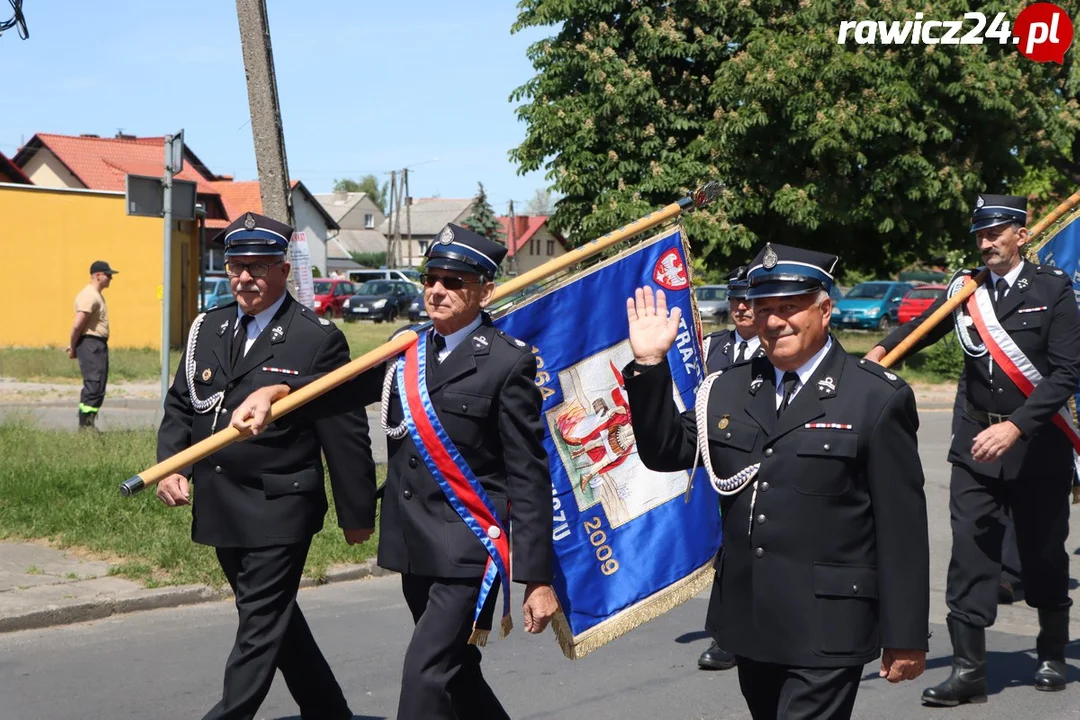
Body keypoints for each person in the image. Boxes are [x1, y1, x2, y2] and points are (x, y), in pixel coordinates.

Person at [234, 222, 560, 720]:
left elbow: (529, 476)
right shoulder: (405, 347)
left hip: (468, 548)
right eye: (432, 277)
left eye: (455, 282)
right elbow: (342, 387)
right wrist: (279, 392)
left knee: (425, 674)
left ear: (485, 291)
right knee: (457, 671)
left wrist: (536, 577)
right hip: (413, 542)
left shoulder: (506, 364)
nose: (437, 290)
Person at [624, 242, 930, 720]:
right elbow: (666, 452)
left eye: (790, 307)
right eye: (763, 308)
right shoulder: (726, 386)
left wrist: (906, 635)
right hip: (751, 619)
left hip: (830, 624)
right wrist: (648, 366)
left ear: (825, 309)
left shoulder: (874, 397)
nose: (773, 321)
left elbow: (902, 529)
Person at [155, 211, 377, 720]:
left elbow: (343, 430)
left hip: (280, 506)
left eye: (256, 267)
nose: (244, 278)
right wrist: (173, 467)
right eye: (235, 266)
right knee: (275, 619)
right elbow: (182, 406)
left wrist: (356, 512)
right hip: (220, 504)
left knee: (258, 626)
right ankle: (330, 712)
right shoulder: (207, 327)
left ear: (282, 269)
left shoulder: (315, 337)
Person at [865, 193, 1080, 703]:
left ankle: (1050, 653)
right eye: (979, 235)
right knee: (970, 556)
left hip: (1037, 446)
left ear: (1021, 235)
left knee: (1043, 554)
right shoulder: (968, 289)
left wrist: (1017, 428)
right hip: (973, 446)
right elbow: (924, 327)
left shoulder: (1054, 291)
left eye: (995, 234)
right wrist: (877, 354)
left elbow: (1067, 373)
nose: (985, 243)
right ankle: (969, 672)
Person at [696, 263, 762, 672]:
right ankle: (727, 632)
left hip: (752, 464)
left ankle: (739, 633)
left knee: (749, 548)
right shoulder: (712, 346)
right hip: (712, 463)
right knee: (722, 550)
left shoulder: (778, 351)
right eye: (736, 298)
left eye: (749, 299)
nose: (741, 306)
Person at [67, 260, 117, 430]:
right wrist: (72, 346)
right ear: (98, 276)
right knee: (94, 384)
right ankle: (85, 425)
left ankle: (89, 423)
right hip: (91, 343)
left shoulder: (95, 294)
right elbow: (77, 325)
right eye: (108, 275)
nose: (111, 278)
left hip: (96, 344)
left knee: (98, 385)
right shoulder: (89, 295)